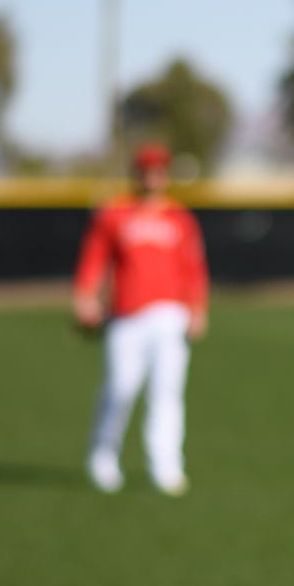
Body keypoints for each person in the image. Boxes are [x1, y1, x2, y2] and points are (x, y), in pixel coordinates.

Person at [73, 142, 209, 496]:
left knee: (167, 393)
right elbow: (94, 261)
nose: (152, 176)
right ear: (137, 173)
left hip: (170, 315)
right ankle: (103, 455)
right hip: (126, 316)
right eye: (146, 170)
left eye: (159, 170)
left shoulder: (180, 219)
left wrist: (198, 309)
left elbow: (194, 269)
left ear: (165, 175)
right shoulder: (115, 215)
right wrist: (85, 297)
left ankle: (166, 466)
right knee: (120, 387)